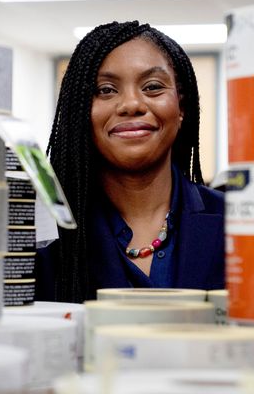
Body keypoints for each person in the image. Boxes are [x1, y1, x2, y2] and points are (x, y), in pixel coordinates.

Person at [36, 21, 225, 303]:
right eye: (106, 90)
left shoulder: (240, 223)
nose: (131, 104)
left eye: (152, 87)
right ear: (80, 112)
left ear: (181, 107)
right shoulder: (45, 237)